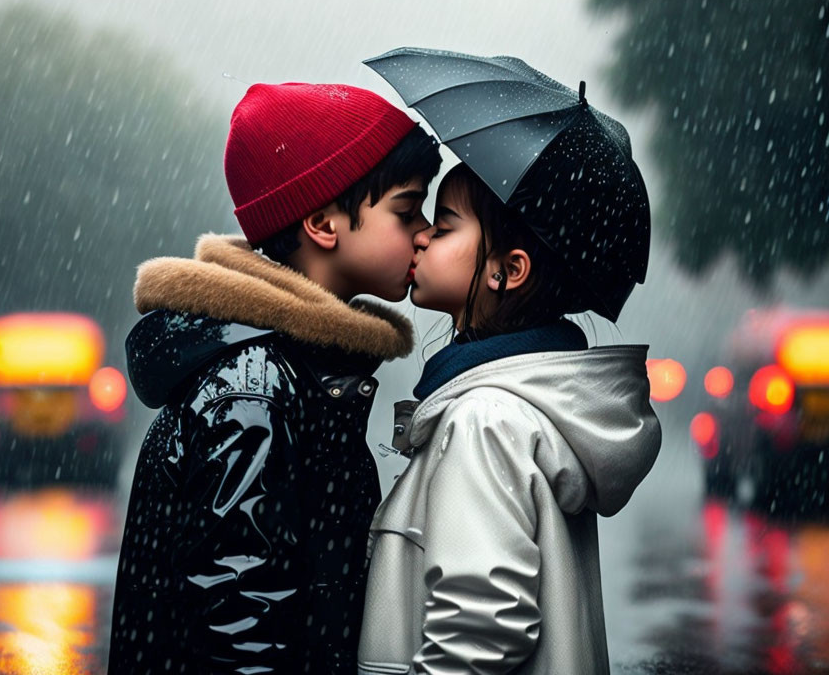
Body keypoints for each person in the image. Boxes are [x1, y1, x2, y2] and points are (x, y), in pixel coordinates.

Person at [108, 82, 441, 674]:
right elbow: (240, 631)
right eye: (406, 209)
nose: (425, 231)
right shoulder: (253, 392)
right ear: (322, 223)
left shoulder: (291, 372)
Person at [357, 162, 662, 675]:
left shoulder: (484, 421)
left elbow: (477, 632)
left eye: (446, 224)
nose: (424, 235)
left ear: (506, 271)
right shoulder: (520, 410)